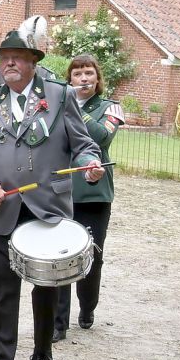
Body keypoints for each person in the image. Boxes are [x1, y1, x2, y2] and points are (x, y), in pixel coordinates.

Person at [0, 31, 104, 360]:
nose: (9, 63)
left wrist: (89, 163)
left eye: (17, 57)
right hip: (0, 206)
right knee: (2, 289)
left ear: (33, 61)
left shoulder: (60, 95)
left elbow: (83, 144)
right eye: (4, 57)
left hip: (47, 208)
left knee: (46, 285)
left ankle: (42, 350)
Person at [54, 54, 124, 342]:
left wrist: (74, 107)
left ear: (97, 78)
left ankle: (87, 305)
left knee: (91, 255)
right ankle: (58, 322)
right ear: (69, 78)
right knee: (59, 258)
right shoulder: (54, 105)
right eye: (78, 73)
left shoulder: (110, 108)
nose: (84, 78)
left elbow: (100, 138)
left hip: (94, 194)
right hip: (61, 192)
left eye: (89, 73)